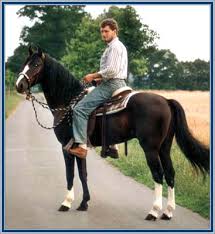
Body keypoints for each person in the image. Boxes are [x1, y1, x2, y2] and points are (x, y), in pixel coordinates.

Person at [68, 18, 128, 159]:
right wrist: (98, 79)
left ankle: (81, 146)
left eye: (106, 31)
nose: (103, 34)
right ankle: (112, 145)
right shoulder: (118, 46)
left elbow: (112, 70)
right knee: (102, 109)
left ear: (114, 31)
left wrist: (93, 75)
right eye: (102, 31)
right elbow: (115, 70)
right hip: (119, 83)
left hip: (112, 84)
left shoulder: (114, 47)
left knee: (80, 109)